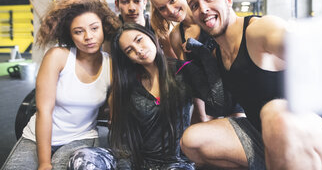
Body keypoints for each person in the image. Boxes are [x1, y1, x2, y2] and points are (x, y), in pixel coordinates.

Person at [179, 0, 322, 169]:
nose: (203, 9)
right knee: (191, 140)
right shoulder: (217, 55)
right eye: (195, 5)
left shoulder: (260, 30)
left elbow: (309, 50)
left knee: (275, 111)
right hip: (267, 136)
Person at [67, 23, 225, 170]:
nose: (139, 50)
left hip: (175, 163)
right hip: (137, 161)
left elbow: (219, 104)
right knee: (82, 158)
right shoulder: (129, 85)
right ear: (127, 58)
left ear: (150, 36)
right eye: (129, 50)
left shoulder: (183, 70)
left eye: (139, 40)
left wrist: (203, 53)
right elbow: (123, 138)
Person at [1, 0, 121, 170]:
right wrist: (44, 163)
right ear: (70, 35)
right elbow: (44, 111)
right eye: (79, 32)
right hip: (37, 137)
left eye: (94, 28)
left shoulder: (111, 65)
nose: (88, 36)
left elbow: (114, 109)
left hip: (81, 137)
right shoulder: (57, 57)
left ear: (104, 27)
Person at [148, 0, 253, 121]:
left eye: (173, 0)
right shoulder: (176, 36)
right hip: (212, 102)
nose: (171, 10)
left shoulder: (211, 3)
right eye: (162, 8)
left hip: (240, 94)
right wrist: (201, 115)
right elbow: (194, 80)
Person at [112, 0, 176, 58]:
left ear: (145, 3)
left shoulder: (158, 26)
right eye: (125, 2)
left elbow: (172, 60)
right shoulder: (112, 30)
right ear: (117, 5)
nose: (132, 8)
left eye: (137, 1)